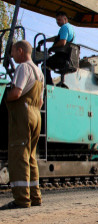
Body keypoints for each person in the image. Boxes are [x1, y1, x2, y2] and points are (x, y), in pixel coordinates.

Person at [0, 40, 44, 210]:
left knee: (19, 156)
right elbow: (40, 101)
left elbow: (17, 92)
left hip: (23, 116)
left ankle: (21, 200)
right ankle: (35, 197)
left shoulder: (23, 68)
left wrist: (6, 99)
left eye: (12, 52)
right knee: (31, 157)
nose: (11, 55)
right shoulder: (39, 72)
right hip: (35, 116)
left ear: (20, 51)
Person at [38, 11, 75, 84]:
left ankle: (49, 84)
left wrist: (51, 48)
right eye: (56, 20)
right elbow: (57, 38)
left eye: (59, 20)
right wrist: (45, 40)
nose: (57, 22)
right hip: (69, 58)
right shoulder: (70, 28)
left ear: (65, 19)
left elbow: (62, 42)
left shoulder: (64, 27)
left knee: (45, 65)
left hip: (63, 58)